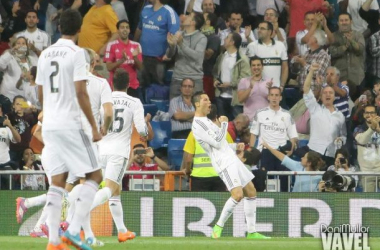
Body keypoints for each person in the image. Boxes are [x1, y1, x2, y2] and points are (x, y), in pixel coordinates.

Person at [36, 9, 103, 250]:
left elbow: (40, 91)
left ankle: (53, 242)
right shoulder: (77, 54)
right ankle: (74, 232)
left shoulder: (44, 55)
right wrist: (94, 128)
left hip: (50, 124)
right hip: (69, 123)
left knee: (58, 181)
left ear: (59, 26)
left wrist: (48, 113)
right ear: (79, 28)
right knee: (95, 176)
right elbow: (81, 91)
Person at [191, 91, 269, 239]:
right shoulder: (198, 125)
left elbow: (222, 144)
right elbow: (217, 142)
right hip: (223, 163)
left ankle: (252, 232)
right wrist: (225, 124)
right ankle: (218, 227)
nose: (209, 103)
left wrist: (234, 147)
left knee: (251, 191)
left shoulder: (207, 121)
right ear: (197, 104)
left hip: (231, 157)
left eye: (209, 99)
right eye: (205, 100)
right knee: (237, 195)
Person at [91, 68, 149, 243]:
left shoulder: (104, 101)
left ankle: (122, 230)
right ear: (129, 84)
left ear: (111, 83)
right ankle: (76, 216)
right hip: (118, 153)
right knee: (109, 189)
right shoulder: (134, 102)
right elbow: (141, 130)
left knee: (115, 192)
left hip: (100, 149)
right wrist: (145, 127)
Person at [249, 87, 298, 191]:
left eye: (276, 95)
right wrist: (251, 152)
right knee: (266, 182)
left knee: (284, 181)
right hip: (265, 152)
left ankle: (285, 201)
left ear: (280, 98)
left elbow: (293, 136)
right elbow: (253, 134)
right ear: (268, 97)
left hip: (282, 152)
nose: (274, 98)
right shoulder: (260, 113)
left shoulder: (287, 115)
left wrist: (291, 150)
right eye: (272, 95)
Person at [302, 63, 346, 169]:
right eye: (325, 93)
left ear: (334, 97)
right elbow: (306, 88)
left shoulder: (340, 116)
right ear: (321, 97)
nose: (327, 95)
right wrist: (311, 71)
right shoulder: (315, 109)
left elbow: (344, 135)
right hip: (314, 151)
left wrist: (340, 140)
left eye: (330, 93)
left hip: (331, 154)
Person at [182, 104, 230, 192]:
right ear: (216, 117)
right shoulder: (224, 134)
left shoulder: (194, 133)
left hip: (199, 176)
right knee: (219, 205)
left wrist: (188, 171)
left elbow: (188, 159)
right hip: (219, 176)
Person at [134, 0, 180, 86]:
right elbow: (139, 29)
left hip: (159, 59)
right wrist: (133, 45)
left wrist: (169, 55)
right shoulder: (145, 9)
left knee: (157, 88)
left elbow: (174, 37)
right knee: (140, 86)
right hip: (142, 57)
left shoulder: (169, 12)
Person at [166, 12, 207, 99]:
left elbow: (197, 57)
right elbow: (169, 55)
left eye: (189, 16)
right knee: (175, 110)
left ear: (193, 22)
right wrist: (172, 45)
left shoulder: (202, 38)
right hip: (178, 78)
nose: (185, 17)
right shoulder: (179, 34)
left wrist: (181, 44)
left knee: (196, 111)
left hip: (194, 80)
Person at [213, 32, 250, 120]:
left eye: (227, 38)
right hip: (221, 96)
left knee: (237, 124)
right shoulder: (222, 56)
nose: (224, 40)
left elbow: (245, 79)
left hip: (235, 98)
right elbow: (215, 72)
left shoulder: (242, 59)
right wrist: (215, 80)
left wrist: (230, 84)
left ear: (232, 42)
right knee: (222, 124)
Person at [330, 12, 365, 100]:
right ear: (338, 23)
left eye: (346, 20)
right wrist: (345, 46)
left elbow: (360, 49)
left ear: (351, 22)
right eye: (341, 20)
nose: (344, 22)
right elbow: (332, 52)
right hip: (340, 79)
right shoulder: (333, 36)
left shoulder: (358, 35)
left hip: (357, 78)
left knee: (358, 104)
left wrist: (351, 41)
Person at [104, 19, 143, 97]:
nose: (125, 29)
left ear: (129, 30)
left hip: (132, 85)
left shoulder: (136, 45)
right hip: (116, 87)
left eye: (127, 27)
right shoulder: (111, 45)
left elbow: (141, 68)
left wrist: (135, 57)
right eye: (122, 27)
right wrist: (122, 60)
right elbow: (109, 67)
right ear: (118, 30)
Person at [247, 21, 288, 90]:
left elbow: (285, 67)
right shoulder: (252, 46)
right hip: (258, 89)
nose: (259, 31)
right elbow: (249, 68)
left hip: (276, 89)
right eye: (258, 28)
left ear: (269, 32)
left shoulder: (280, 45)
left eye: (262, 29)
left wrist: (282, 86)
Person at [0, 36, 38, 101]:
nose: (21, 45)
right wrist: (11, 51)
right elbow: (1, 65)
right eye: (18, 43)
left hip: (27, 96)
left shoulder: (33, 59)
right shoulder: (9, 58)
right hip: (9, 95)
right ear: (14, 46)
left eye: (23, 43)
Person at [354, 105, 380, 192]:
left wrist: (378, 129)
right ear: (364, 115)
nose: (369, 115)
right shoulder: (358, 129)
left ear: (376, 114)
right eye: (367, 113)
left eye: (372, 113)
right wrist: (372, 128)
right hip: (367, 172)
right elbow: (362, 140)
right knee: (369, 201)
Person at [237, 56, 271, 122]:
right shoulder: (244, 81)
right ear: (250, 67)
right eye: (253, 65)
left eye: (258, 65)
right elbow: (240, 99)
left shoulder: (269, 82)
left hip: (266, 120)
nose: (256, 67)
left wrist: (270, 91)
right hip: (249, 120)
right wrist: (250, 88)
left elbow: (274, 101)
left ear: (262, 67)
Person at [7, 95, 38, 167]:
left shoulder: (29, 117)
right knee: (13, 170)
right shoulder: (10, 116)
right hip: (13, 150)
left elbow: (38, 120)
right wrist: (14, 113)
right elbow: (9, 118)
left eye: (22, 104)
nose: (20, 106)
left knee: (26, 168)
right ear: (13, 105)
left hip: (25, 150)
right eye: (17, 104)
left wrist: (35, 111)